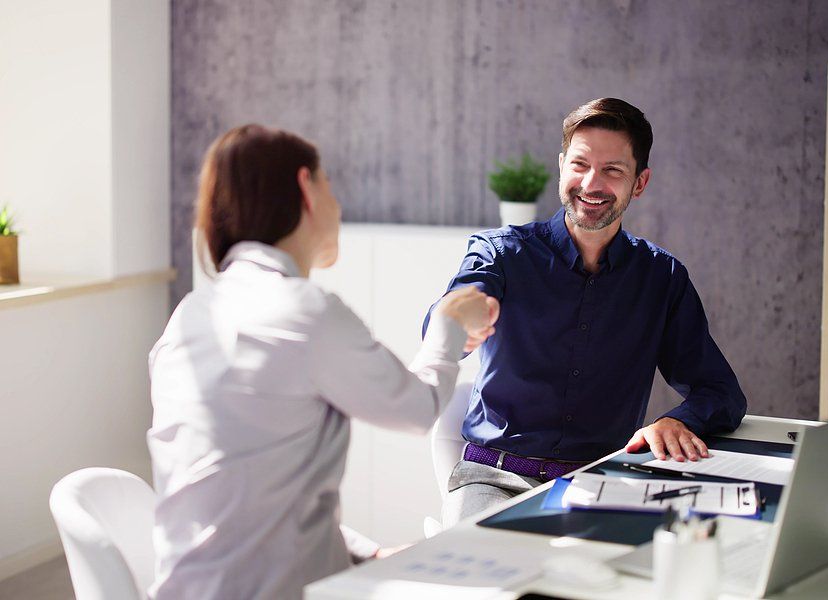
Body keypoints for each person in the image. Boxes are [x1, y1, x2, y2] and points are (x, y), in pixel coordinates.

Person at [147, 124, 499, 599]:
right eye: (330, 185)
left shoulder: (188, 316)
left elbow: (244, 496)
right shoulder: (304, 310)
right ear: (306, 189)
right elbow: (417, 410)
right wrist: (450, 323)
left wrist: (363, 553)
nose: (337, 205)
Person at [424, 98, 747, 527]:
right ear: (562, 166)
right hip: (493, 479)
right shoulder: (500, 253)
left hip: (600, 485)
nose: (591, 183)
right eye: (580, 165)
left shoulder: (661, 277)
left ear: (640, 182)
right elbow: (451, 315)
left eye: (613, 170)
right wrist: (458, 319)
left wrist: (674, 421)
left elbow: (721, 393)